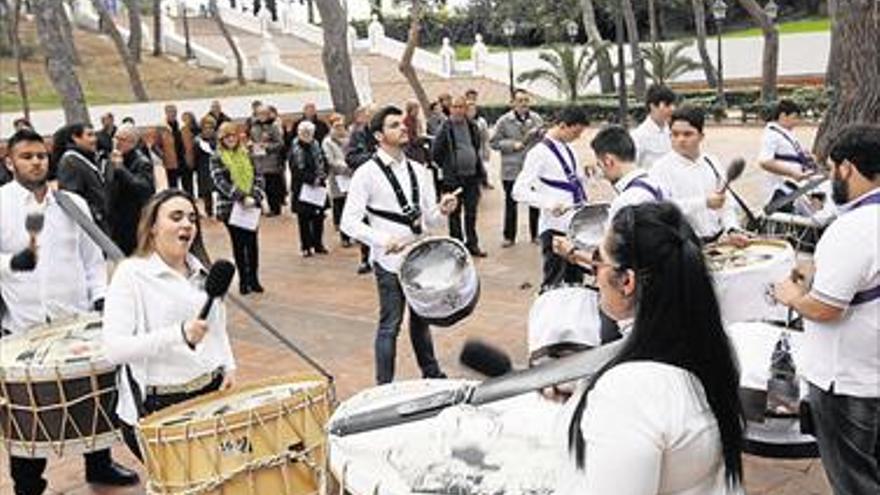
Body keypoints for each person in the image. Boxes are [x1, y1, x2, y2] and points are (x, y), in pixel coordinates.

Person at [559, 202, 745, 494]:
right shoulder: (710, 345)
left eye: (598, 259)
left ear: (627, 281)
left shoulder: (627, 393)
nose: (594, 273)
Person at [0, 129, 139, 494]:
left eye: (41, 156)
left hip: (74, 318)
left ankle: (100, 464)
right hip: (23, 324)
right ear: (9, 161)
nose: (36, 162)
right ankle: (28, 483)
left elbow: (91, 258)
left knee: (91, 391)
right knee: (30, 409)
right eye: (26, 156)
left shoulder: (70, 202)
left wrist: (101, 298)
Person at [772, 124, 880, 495]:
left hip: (848, 380)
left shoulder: (853, 228)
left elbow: (824, 309)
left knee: (854, 480)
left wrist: (789, 295)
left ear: (846, 167)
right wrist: (820, 271)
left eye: (832, 168)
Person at [102, 188, 237, 461]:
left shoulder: (203, 271)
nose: (187, 224)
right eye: (176, 217)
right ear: (152, 227)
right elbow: (114, 350)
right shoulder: (131, 274)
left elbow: (217, 326)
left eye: (191, 218)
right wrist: (178, 334)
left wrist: (229, 363)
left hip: (209, 396)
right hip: (159, 406)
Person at [341, 105, 459, 384]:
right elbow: (349, 222)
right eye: (394, 125)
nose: (403, 127)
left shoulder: (420, 170)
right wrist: (382, 240)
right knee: (390, 325)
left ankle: (431, 373)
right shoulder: (366, 173)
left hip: (420, 258)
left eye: (402, 123)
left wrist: (443, 210)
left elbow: (429, 221)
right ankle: (384, 386)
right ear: (379, 136)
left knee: (421, 320)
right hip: (389, 263)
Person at [513, 106, 590, 289]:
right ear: (563, 126)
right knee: (553, 282)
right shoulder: (538, 153)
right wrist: (548, 203)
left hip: (575, 225)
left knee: (575, 282)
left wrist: (588, 175)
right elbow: (518, 190)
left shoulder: (569, 148)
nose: (578, 137)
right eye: (576, 132)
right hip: (555, 227)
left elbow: (575, 180)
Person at [649, 106, 747, 244]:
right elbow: (661, 209)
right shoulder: (660, 168)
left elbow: (726, 202)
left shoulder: (711, 162)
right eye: (675, 134)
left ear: (701, 136)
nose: (680, 139)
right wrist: (704, 202)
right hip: (684, 246)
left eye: (687, 134)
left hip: (718, 242)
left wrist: (732, 229)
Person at [211, 122, 265, 295]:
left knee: (252, 243)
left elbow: (258, 175)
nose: (231, 139)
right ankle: (243, 280)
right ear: (222, 139)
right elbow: (219, 182)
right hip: (231, 207)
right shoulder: (217, 157)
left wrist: (255, 195)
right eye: (227, 137)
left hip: (251, 205)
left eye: (233, 136)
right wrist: (241, 196)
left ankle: (254, 279)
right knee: (239, 244)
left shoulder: (246, 153)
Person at [432, 96, 487, 257]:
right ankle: (457, 247)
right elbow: (436, 153)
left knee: (471, 213)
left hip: (471, 177)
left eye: (461, 107)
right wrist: (448, 167)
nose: (457, 110)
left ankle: (472, 244)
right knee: (454, 214)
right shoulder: (445, 127)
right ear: (450, 109)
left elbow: (476, 146)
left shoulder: (472, 125)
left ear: (465, 109)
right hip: (453, 179)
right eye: (454, 107)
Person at [491, 88, 544, 247]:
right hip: (511, 170)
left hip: (532, 169)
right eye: (520, 101)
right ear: (513, 103)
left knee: (535, 203)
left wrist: (541, 135)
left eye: (526, 101)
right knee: (511, 204)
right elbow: (493, 143)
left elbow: (543, 141)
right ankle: (509, 237)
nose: (523, 104)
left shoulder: (536, 119)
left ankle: (536, 235)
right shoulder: (503, 121)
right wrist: (512, 145)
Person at [757, 99, 819, 212]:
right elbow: (764, 161)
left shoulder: (785, 132)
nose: (797, 122)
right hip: (780, 191)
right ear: (783, 115)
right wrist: (793, 173)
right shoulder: (772, 135)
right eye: (794, 117)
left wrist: (806, 157)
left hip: (794, 187)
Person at [53, 123, 114, 234]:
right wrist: (96, 215)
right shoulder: (71, 161)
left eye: (94, 135)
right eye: (89, 135)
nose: (95, 139)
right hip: (90, 228)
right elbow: (72, 197)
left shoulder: (89, 158)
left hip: (101, 223)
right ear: (75, 138)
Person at [108, 124, 155, 256]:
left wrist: (121, 169)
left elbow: (144, 189)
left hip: (133, 220)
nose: (116, 142)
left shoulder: (141, 162)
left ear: (133, 142)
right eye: (115, 138)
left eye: (121, 139)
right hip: (117, 219)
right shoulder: (114, 157)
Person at [289, 120, 328, 257]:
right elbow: (296, 170)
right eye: (304, 132)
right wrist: (312, 179)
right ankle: (306, 246)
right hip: (302, 188)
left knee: (319, 217)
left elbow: (324, 162)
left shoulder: (316, 145)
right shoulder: (294, 149)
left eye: (309, 132)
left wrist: (322, 177)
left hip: (318, 187)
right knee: (304, 219)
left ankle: (318, 244)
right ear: (299, 133)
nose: (307, 135)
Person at [345, 105, 377, 275]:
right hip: (365, 184)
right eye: (370, 115)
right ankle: (365, 257)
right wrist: (372, 157)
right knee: (365, 222)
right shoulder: (358, 134)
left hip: (384, 185)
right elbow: (350, 157)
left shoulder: (385, 133)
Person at [248, 104, 285, 216]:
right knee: (259, 186)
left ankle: (275, 208)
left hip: (271, 162)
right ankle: (260, 208)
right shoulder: (253, 127)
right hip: (258, 160)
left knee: (272, 187)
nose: (262, 116)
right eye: (259, 114)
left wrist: (267, 146)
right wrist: (251, 145)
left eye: (264, 114)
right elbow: (252, 140)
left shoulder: (274, 126)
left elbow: (280, 143)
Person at [323, 113, 353, 247]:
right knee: (340, 205)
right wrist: (344, 167)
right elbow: (330, 160)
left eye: (342, 126)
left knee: (352, 205)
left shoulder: (350, 138)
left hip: (352, 176)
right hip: (338, 178)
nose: (340, 129)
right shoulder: (328, 141)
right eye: (337, 127)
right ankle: (344, 236)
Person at [630, 84, 676, 170]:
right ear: (653, 106)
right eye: (667, 105)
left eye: (673, 104)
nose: (672, 109)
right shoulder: (638, 136)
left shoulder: (674, 132)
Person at [194, 115, 218, 217]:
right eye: (206, 128)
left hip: (217, 167)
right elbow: (194, 155)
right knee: (206, 191)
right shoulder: (197, 140)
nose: (208, 130)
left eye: (210, 127)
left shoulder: (218, 138)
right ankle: (209, 211)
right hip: (203, 168)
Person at [467, 100, 493, 190]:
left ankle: (484, 181)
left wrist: (486, 149)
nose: (471, 112)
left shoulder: (481, 121)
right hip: (469, 151)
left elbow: (485, 137)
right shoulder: (463, 122)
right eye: (469, 110)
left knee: (483, 167)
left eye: (473, 110)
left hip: (480, 149)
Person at [158, 104, 186, 188]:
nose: (173, 114)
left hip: (182, 160)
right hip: (170, 163)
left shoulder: (180, 126)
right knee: (173, 187)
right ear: (166, 113)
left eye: (174, 112)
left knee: (187, 186)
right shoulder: (162, 128)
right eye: (170, 112)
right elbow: (155, 146)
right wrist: (163, 156)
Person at [179, 111, 200, 195]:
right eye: (184, 118)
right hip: (186, 157)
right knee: (187, 179)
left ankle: (200, 195)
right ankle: (189, 195)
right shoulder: (182, 130)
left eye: (187, 118)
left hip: (198, 156)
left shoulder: (197, 129)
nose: (185, 120)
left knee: (200, 179)